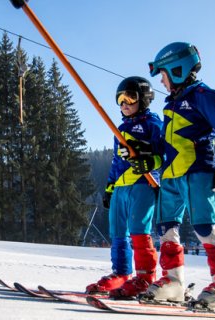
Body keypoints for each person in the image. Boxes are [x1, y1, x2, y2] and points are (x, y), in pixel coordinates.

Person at [137, 42, 215, 311]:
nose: (161, 80)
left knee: (204, 226)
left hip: (197, 172)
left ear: (178, 69)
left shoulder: (202, 95)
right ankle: (173, 282)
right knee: (166, 229)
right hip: (171, 175)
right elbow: (166, 145)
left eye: (163, 74)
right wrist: (149, 156)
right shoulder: (171, 104)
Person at [86, 76, 164, 299]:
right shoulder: (120, 128)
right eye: (119, 99)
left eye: (129, 98)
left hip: (142, 183)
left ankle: (145, 277)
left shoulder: (153, 124)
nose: (124, 104)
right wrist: (110, 187)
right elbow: (115, 161)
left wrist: (148, 157)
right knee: (118, 232)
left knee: (139, 230)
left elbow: (163, 155)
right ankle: (121, 273)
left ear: (144, 99)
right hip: (121, 186)